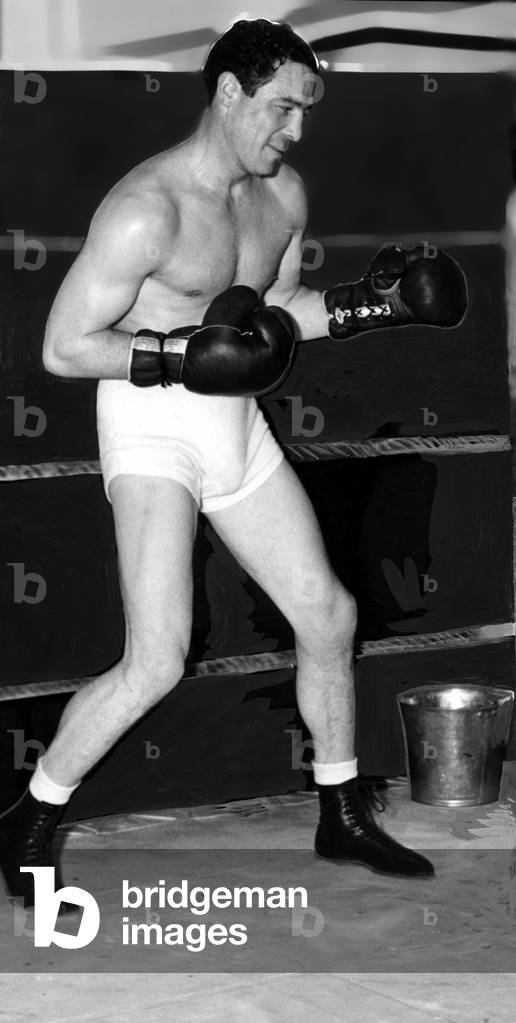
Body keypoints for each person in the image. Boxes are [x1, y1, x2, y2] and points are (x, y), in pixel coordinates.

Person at [0, 19, 468, 909]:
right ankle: (28, 815)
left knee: (327, 614)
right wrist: (180, 355)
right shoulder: (148, 207)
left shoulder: (281, 195)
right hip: (150, 429)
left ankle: (340, 809)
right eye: (283, 107)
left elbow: (282, 307)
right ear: (227, 94)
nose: (295, 130)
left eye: (304, 111)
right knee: (157, 658)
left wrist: (380, 306)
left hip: (232, 423)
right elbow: (63, 347)